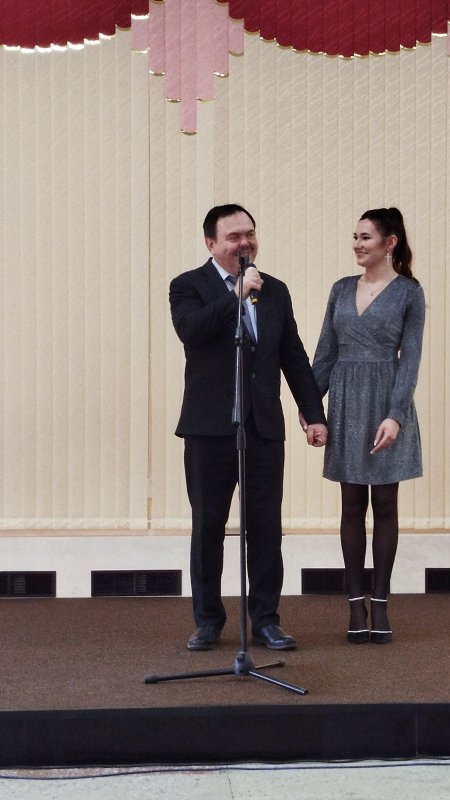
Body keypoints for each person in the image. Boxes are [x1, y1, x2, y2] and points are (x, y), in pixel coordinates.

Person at [170, 204, 327, 652]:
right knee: (208, 527)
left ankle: (266, 620)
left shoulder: (274, 290)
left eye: (250, 234)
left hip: (263, 427)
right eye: (234, 236)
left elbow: (292, 354)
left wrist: (313, 412)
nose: (245, 243)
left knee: (265, 527)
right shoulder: (188, 286)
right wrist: (234, 295)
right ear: (211, 243)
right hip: (208, 428)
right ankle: (208, 621)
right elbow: (191, 331)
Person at [310, 207, 425, 644]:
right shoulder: (341, 289)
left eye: (365, 237)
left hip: (385, 402)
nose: (357, 244)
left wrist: (396, 415)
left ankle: (380, 603)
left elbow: (410, 359)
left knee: (386, 505)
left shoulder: (409, 292)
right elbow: (325, 351)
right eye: (354, 237)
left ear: (389, 243)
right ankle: (355, 604)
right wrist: (311, 405)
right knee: (351, 505)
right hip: (345, 402)